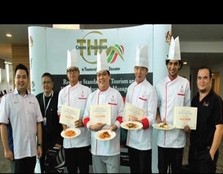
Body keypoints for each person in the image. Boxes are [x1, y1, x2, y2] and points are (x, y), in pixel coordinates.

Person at [83, 50, 124, 173]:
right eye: (99, 75)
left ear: (109, 76)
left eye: (104, 74)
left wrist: (115, 126)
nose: (101, 77)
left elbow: (122, 115)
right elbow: (85, 117)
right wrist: (91, 126)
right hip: (96, 148)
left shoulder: (116, 95)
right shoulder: (91, 96)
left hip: (112, 148)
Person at [155, 36, 191, 173]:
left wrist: (188, 125)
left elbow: (187, 107)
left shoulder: (185, 83)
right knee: (162, 170)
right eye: (170, 63)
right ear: (167, 64)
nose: (172, 67)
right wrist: (158, 120)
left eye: (175, 64)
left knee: (176, 170)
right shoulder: (159, 84)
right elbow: (156, 107)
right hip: (163, 138)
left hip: (178, 137)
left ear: (179, 65)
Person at [0, 63, 43, 173]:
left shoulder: (33, 99)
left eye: (24, 77)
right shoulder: (7, 99)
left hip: (31, 151)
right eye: (18, 77)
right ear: (14, 79)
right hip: (16, 152)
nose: (21, 80)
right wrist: (6, 149)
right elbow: (3, 125)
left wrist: (39, 145)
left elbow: (38, 123)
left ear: (28, 79)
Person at [57, 49, 92, 173]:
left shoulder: (87, 90)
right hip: (68, 139)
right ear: (67, 74)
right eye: (69, 71)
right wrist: (64, 125)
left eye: (74, 70)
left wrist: (83, 122)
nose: (72, 73)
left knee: (84, 170)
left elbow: (90, 112)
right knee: (71, 170)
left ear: (79, 73)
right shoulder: (62, 92)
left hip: (83, 138)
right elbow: (60, 111)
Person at [125, 44, 157, 173]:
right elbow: (127, 109)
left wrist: (140, 123)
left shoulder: (151, 89)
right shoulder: (130, 88)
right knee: (134, 170)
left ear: (146, 71)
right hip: (131, 139)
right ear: (134, 69)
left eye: (142, 69)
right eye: (137, 68)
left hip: (143, 141)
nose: (139, 72)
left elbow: (152, 117)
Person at [188, 66, 223, 173]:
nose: (202, 81)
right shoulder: (194, 99)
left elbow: (220, 128)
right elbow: (194, 124)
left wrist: (211, 153)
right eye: (199, 78)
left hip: (207, 153)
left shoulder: (216, 100)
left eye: (205, 78)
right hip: (193, 152)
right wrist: (187, 127)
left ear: (210, 80)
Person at [36, 72, 64, 173]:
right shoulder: (37, 99)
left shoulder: (58, 97)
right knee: (44, 168)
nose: (46, 85)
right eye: (44, 82)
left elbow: (63, 120)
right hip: (42, 142)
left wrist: (60, 141)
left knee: (55, 169)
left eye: (48, 82)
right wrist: (38, 144)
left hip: (55, 142)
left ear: (52, 84)